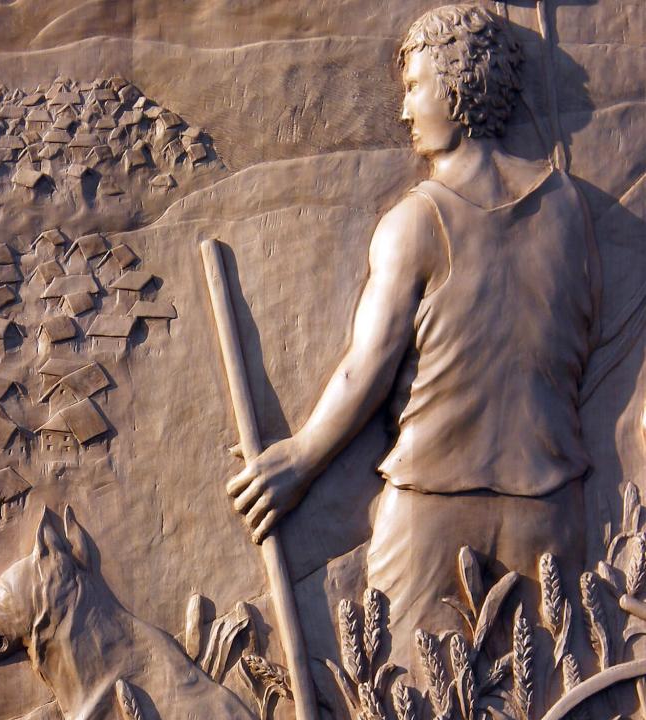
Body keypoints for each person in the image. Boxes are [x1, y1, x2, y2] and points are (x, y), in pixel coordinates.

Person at [227, 3, 600, 668]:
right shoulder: (568, 207)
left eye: (413, 87)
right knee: (550, 692)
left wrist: (301, 459)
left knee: (404, 693)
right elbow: (583, 328)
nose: (403, 112)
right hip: (551, 504)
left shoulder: (416, 221)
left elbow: (367, 366)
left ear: (455, 89)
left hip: (432, 507)